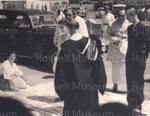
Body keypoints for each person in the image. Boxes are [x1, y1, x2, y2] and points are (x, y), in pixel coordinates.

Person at [55, 20, 107, 116]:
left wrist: (61, 89)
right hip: (90, 85)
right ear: (79, 28)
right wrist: (101, 84)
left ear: (70, 29)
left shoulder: (66, 47)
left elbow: (61, 72)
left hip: (72, 87)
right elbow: (99, 67)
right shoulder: (91, 43)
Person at [126, 8, 150, 106]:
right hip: (130, 59)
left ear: (134, 14)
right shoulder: (129, 28)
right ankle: (131, 103)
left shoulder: (143, 28)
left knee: (139, 82)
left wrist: (144, 56)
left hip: (139, 60)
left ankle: (138, 103)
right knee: (130, 81)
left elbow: (148, 43)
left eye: (128, 17)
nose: (127, 19)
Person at [105, 10, 130, 92]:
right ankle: (115, 84)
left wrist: (125, 39)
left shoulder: (129, 24)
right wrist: (114, 39)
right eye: (120, 16)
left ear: (125, 16)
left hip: (125, 48)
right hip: (115, 49)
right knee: (115, 67)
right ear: (117, 16)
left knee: (125, 68)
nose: (121, 17)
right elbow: (106, 35)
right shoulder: (112, 24)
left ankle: (126, 86)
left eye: (123, 16)